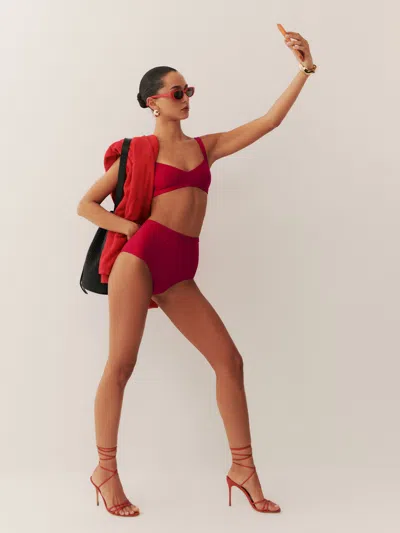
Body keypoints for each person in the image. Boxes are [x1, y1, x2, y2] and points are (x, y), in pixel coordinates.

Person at [77, 30, 316, 517]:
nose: (186, 98)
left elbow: (269, 121)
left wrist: (305, 69)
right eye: (177, 92)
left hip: (181, 268)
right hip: (140, 259)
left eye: (189, 90)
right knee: (121, 366)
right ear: (154, 103)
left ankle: (243, 468)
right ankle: (105, 471)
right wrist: (129, 228)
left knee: (230, 361)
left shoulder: (206, 147)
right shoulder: (137, 152)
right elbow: (87, 205)